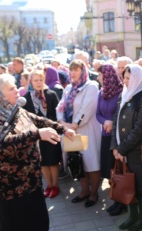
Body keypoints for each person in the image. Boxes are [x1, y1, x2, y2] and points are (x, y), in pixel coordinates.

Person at [0, 74, 75, 231]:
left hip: (29, 176)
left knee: (30, 217)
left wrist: (62, 129)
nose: (17, 90)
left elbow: (39, 120)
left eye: (16, 86)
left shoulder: (17, 110)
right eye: (11, 89)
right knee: (19, 220)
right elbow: (4, 144)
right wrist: (37, 134)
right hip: (10, 181)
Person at [110, 64, 142, 231]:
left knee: (139, 187)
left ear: (136, 79)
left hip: (137, 152)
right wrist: (114, 147)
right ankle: (132, 216)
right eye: (124, 78)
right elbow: (115, 123)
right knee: (128, 186)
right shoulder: (123, 96)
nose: (125, 82)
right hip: (122, 151)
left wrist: (122, 149)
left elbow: (138, 128)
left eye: (128, 78)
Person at [57, 59, 102, 208]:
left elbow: (87, 109)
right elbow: (60, 107)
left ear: (83, 71)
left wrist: (74, 124)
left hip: (86, 130)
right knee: (78, 162)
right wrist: (62, 123)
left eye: (76, 70)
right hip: (70, 131)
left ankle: (94, 193)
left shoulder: (91, 87)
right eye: (71, 70)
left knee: (91, 162)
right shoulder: (68, 88)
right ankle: (84, 191)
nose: (73, 72)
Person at [23, 70, 62, 199]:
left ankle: (55, 185)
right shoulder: (27, 98)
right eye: (35, 80)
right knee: (43, 162)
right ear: (31, 82)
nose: (38, 83)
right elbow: (26, 117)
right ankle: (49, 185)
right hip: (37, 135)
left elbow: (56, 114)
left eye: (40, 79)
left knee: (53, 161)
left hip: (51, 133)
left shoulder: (51, 94)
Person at [95, 64, 124, 215]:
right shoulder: (101, 93)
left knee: (118, 170)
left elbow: (122, 113)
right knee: (110, 171)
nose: (98, 77)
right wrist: (104, 122)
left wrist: (112, 122)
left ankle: (121, 201)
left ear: (107, 76)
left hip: (117, 137)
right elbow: (97, 114)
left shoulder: (121, 92)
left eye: (100, 75)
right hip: (105, 136)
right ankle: (115, 199)